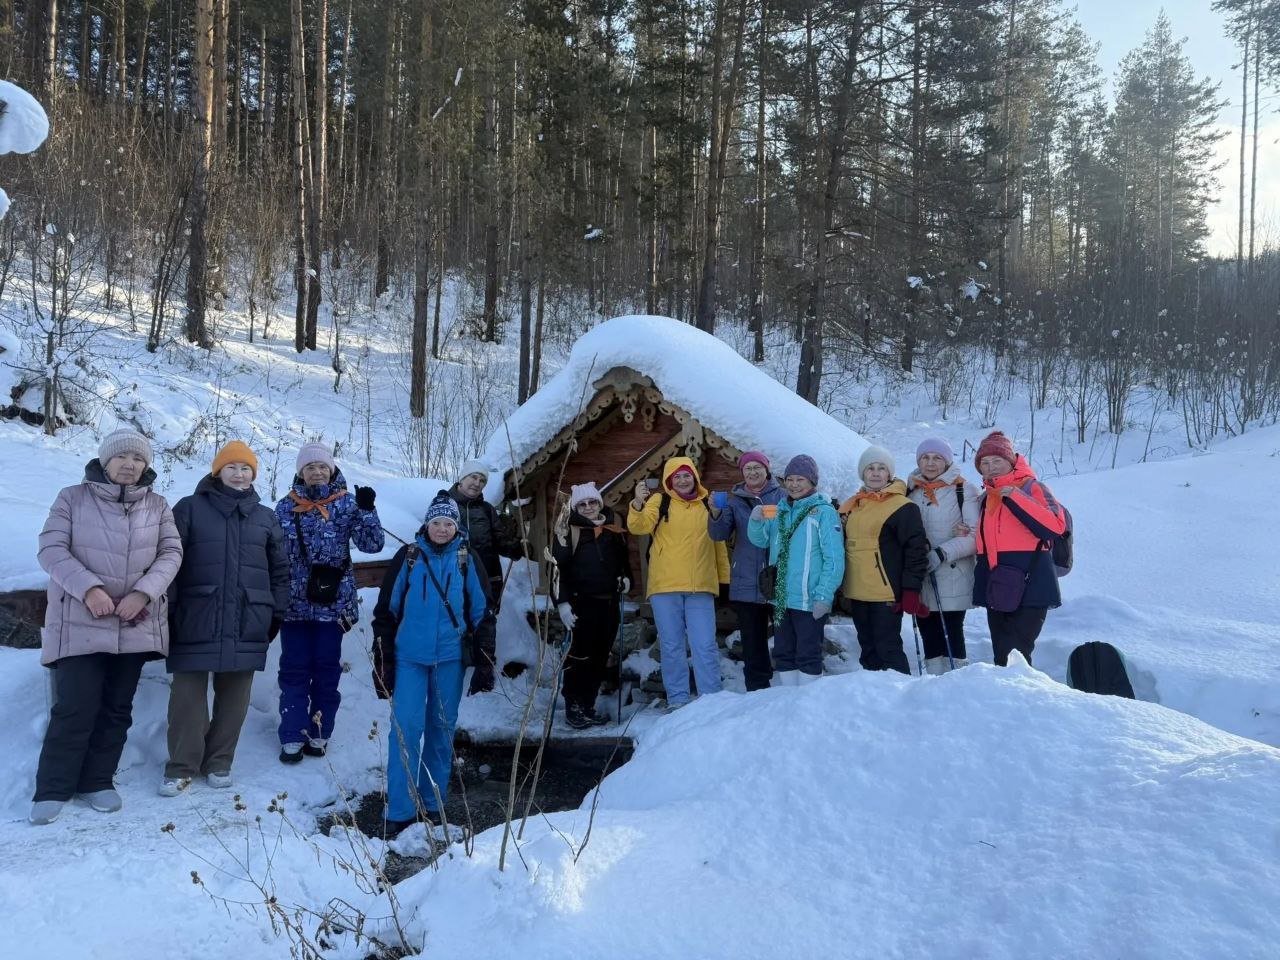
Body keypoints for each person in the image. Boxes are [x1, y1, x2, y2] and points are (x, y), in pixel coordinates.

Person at [30, 429, 183, 825]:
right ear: (104, 461)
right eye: (122, 457)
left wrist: (143, 594)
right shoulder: (72, 498)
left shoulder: (157, 505)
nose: (130, 465)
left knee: (116, 709)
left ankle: (97, 781)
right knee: (75, 706)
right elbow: (51, 549)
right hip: (81, 620)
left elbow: (171, 553)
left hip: (134, 623)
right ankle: (53, 788)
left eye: (138, 459)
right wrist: (90, 589)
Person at [161, 441, 290, 795]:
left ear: (253, 475)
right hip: (195, 616)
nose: (239, 474)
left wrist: (275, 612)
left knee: (235, 699)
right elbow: (168, 563)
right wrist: (168, 610)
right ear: (217, 471)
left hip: (249, 617)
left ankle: (219, 762)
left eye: (246, 468)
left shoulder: (265, 516)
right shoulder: (189, 508)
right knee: (187, 698)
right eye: (231, 467)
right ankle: (181, 766)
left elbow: (280, 571)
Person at [370, 491, 494, 836]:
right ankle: (400, 810)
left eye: (448, 523)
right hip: (409, 658)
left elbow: (482, 613)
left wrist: (485, 661)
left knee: (441, 730)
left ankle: (432, 802)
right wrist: (383, 660)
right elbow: (386, 611)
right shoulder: (409, 557)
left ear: (457, 528)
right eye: (436, 522)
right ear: (427, 524)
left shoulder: (467, 558)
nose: (442, 529)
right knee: (405, 731)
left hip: (450, 659)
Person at [274, 442, 384, 763]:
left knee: (326, 670)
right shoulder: (285, 507)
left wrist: (367, 511)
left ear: (332, 470)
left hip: (332, 606)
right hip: (294, 607)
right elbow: (271, 553)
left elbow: (373, 544)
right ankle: (292, 735)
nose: (317, 472)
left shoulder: (348, 504)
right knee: (293, 670)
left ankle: (320, 731)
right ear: (301, 472)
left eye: (323, 466)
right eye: (310, 467)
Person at [627, 457, 729, 709]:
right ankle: (678, 698)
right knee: (671, 645)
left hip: (700, 586)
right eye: (677, 477)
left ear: (694, 477)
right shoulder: (659, 501)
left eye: (687, 475)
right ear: (669, 481)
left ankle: (711, 699)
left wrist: (724, 580)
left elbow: (718, 545)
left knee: (705, 644)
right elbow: (639, 526)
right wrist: (637, 503)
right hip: (665, 586)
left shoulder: (707, 504)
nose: (683, 481)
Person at [971, 431, 1067, 666]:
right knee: (1001, 655)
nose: (991, 467)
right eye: (985, 463)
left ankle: (1022, 690)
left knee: (1015, 657)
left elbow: (1054, 527)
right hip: (998, 585)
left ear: (1011, 461)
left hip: (1032, 584)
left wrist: (1015, 497)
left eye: (997, 461)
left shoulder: (1032, 487)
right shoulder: (986, 498)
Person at [746, 455, 843, 685]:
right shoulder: (779, 510)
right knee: (784, 653)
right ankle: (789, 700)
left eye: (800, 479)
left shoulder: (823, 512)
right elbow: (760, 540)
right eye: (790, 479)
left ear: (812, 482)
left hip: (809, 600)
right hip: (781, 598)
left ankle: (808, 703)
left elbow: (834, 559)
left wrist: (824, 596)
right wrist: (756, 521)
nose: (794, 484)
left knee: (808, 655)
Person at [837, 446, 928, 675]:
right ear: (863, 473)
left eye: (881, 468)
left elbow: (916, 551)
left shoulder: (903, 506)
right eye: (870, 468)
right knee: (867, 648)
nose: (876, 473)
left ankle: (900, 690)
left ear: (889, 474)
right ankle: (873, 693)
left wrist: (911, 589)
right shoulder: (854, 505)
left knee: (888, 647)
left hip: (886, 591)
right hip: (857, 589)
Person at [552, 482, 633, 728]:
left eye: (592, 502)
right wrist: (562, 603)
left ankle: (588, 704)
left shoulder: (613, 530)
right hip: (580, 604)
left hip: (608, 604)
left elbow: (624, 563)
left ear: (600, 503)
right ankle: (573, 705)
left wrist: (626, 579)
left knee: (599, 657)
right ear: (576, 508)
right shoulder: (568, 532)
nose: (588, 507)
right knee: (579, 656)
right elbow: (557, 570)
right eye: (582, 504)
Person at [707, 451, 785, 691]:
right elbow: (719, 534)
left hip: (779, 578)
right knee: (752, 642)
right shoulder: (734, 501)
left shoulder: (783, 496)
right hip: (747, 580)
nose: (752, 472)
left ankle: (790, 690)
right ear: (742, 472)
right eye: (747, 468)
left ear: (766, 470)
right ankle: (757, 691)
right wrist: (716, 513)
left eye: (757, 467)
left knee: (786, 638)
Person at [906, 437, 980, 674]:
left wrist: (941, 553)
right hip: (920, 574)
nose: (930, 463)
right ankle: (934, 682)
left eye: (937, 458)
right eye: (925, 458)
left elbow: (975, 536)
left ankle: (956, 680)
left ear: (947, 461)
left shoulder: (963, 489)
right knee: (928, 631)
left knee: (951, 630)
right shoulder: (911, 490)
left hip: (952, 572)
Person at [447, 460, 525, 611]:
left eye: (482, 480)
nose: (477, 483)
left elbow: (500, 540)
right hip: (452, 582)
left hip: (486, 580)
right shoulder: (445, 505)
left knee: (484, 621)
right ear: (462, 478)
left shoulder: (487, 510)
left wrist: (514, 548)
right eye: (474, 477)